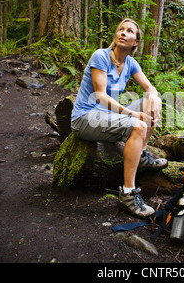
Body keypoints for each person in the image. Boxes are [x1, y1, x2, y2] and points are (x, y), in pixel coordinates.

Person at [71, 18, 167, 218]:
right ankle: (128, 194)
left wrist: (154, 96)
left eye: (129, 31)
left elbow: (149, 87)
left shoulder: (130, 62)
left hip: (105, 115)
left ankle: (140, 155)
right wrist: (133, 115)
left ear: (136, 42)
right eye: (120, 29)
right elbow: (100, 96)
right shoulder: (101, 56)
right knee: (138, 126)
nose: (123, 32)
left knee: (148, 103)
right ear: (115, 36)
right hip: (85, 118)